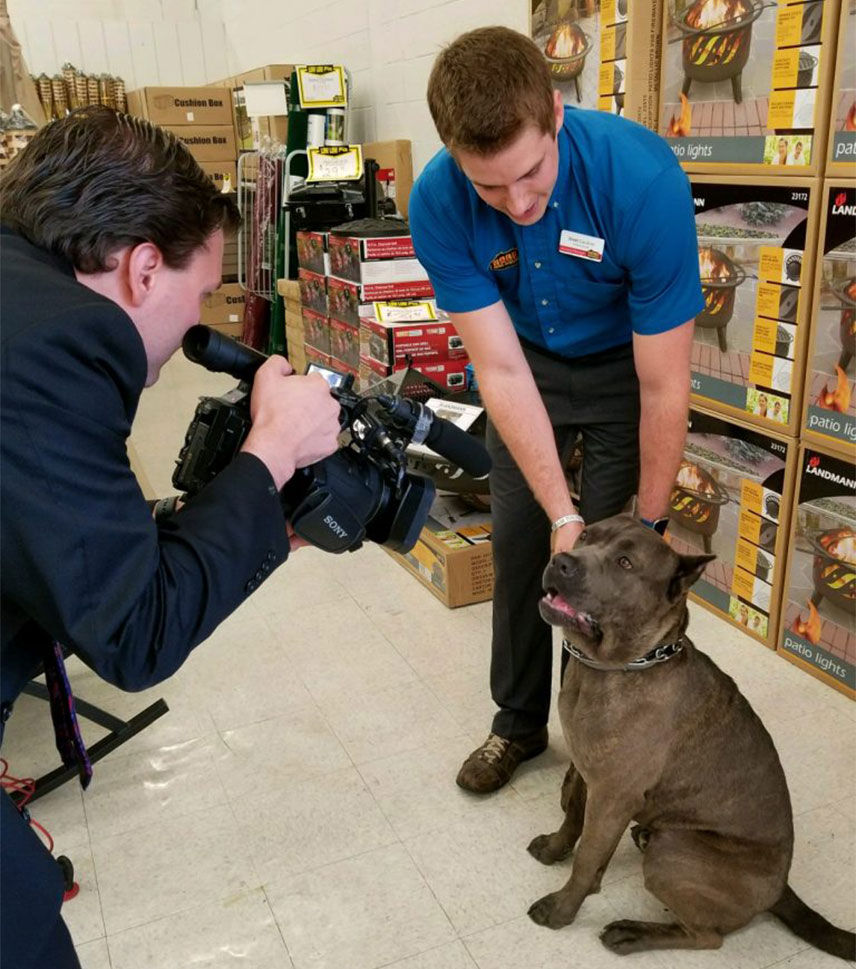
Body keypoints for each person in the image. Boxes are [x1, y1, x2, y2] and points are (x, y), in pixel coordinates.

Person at [0, 107, 342, 969]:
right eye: (202, 294)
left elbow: (53, 535)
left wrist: (235, 521)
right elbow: (134, 631)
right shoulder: (54, 349)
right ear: (143, 269)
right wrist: (269, 454)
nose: (198, 325)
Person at [408, 27, 703, 794]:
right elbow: (500, 368)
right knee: (522, 545)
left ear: (557, 112)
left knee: (604, 571)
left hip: (620, 369)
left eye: (531, 173)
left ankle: (597, 746)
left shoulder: (642, 180)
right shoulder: (437, 201)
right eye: (491, 188)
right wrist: (557, 513)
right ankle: (517, 728)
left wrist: (653, 523)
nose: (520, 203)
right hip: (526, 363)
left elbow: (666, 386)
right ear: (453, 156)